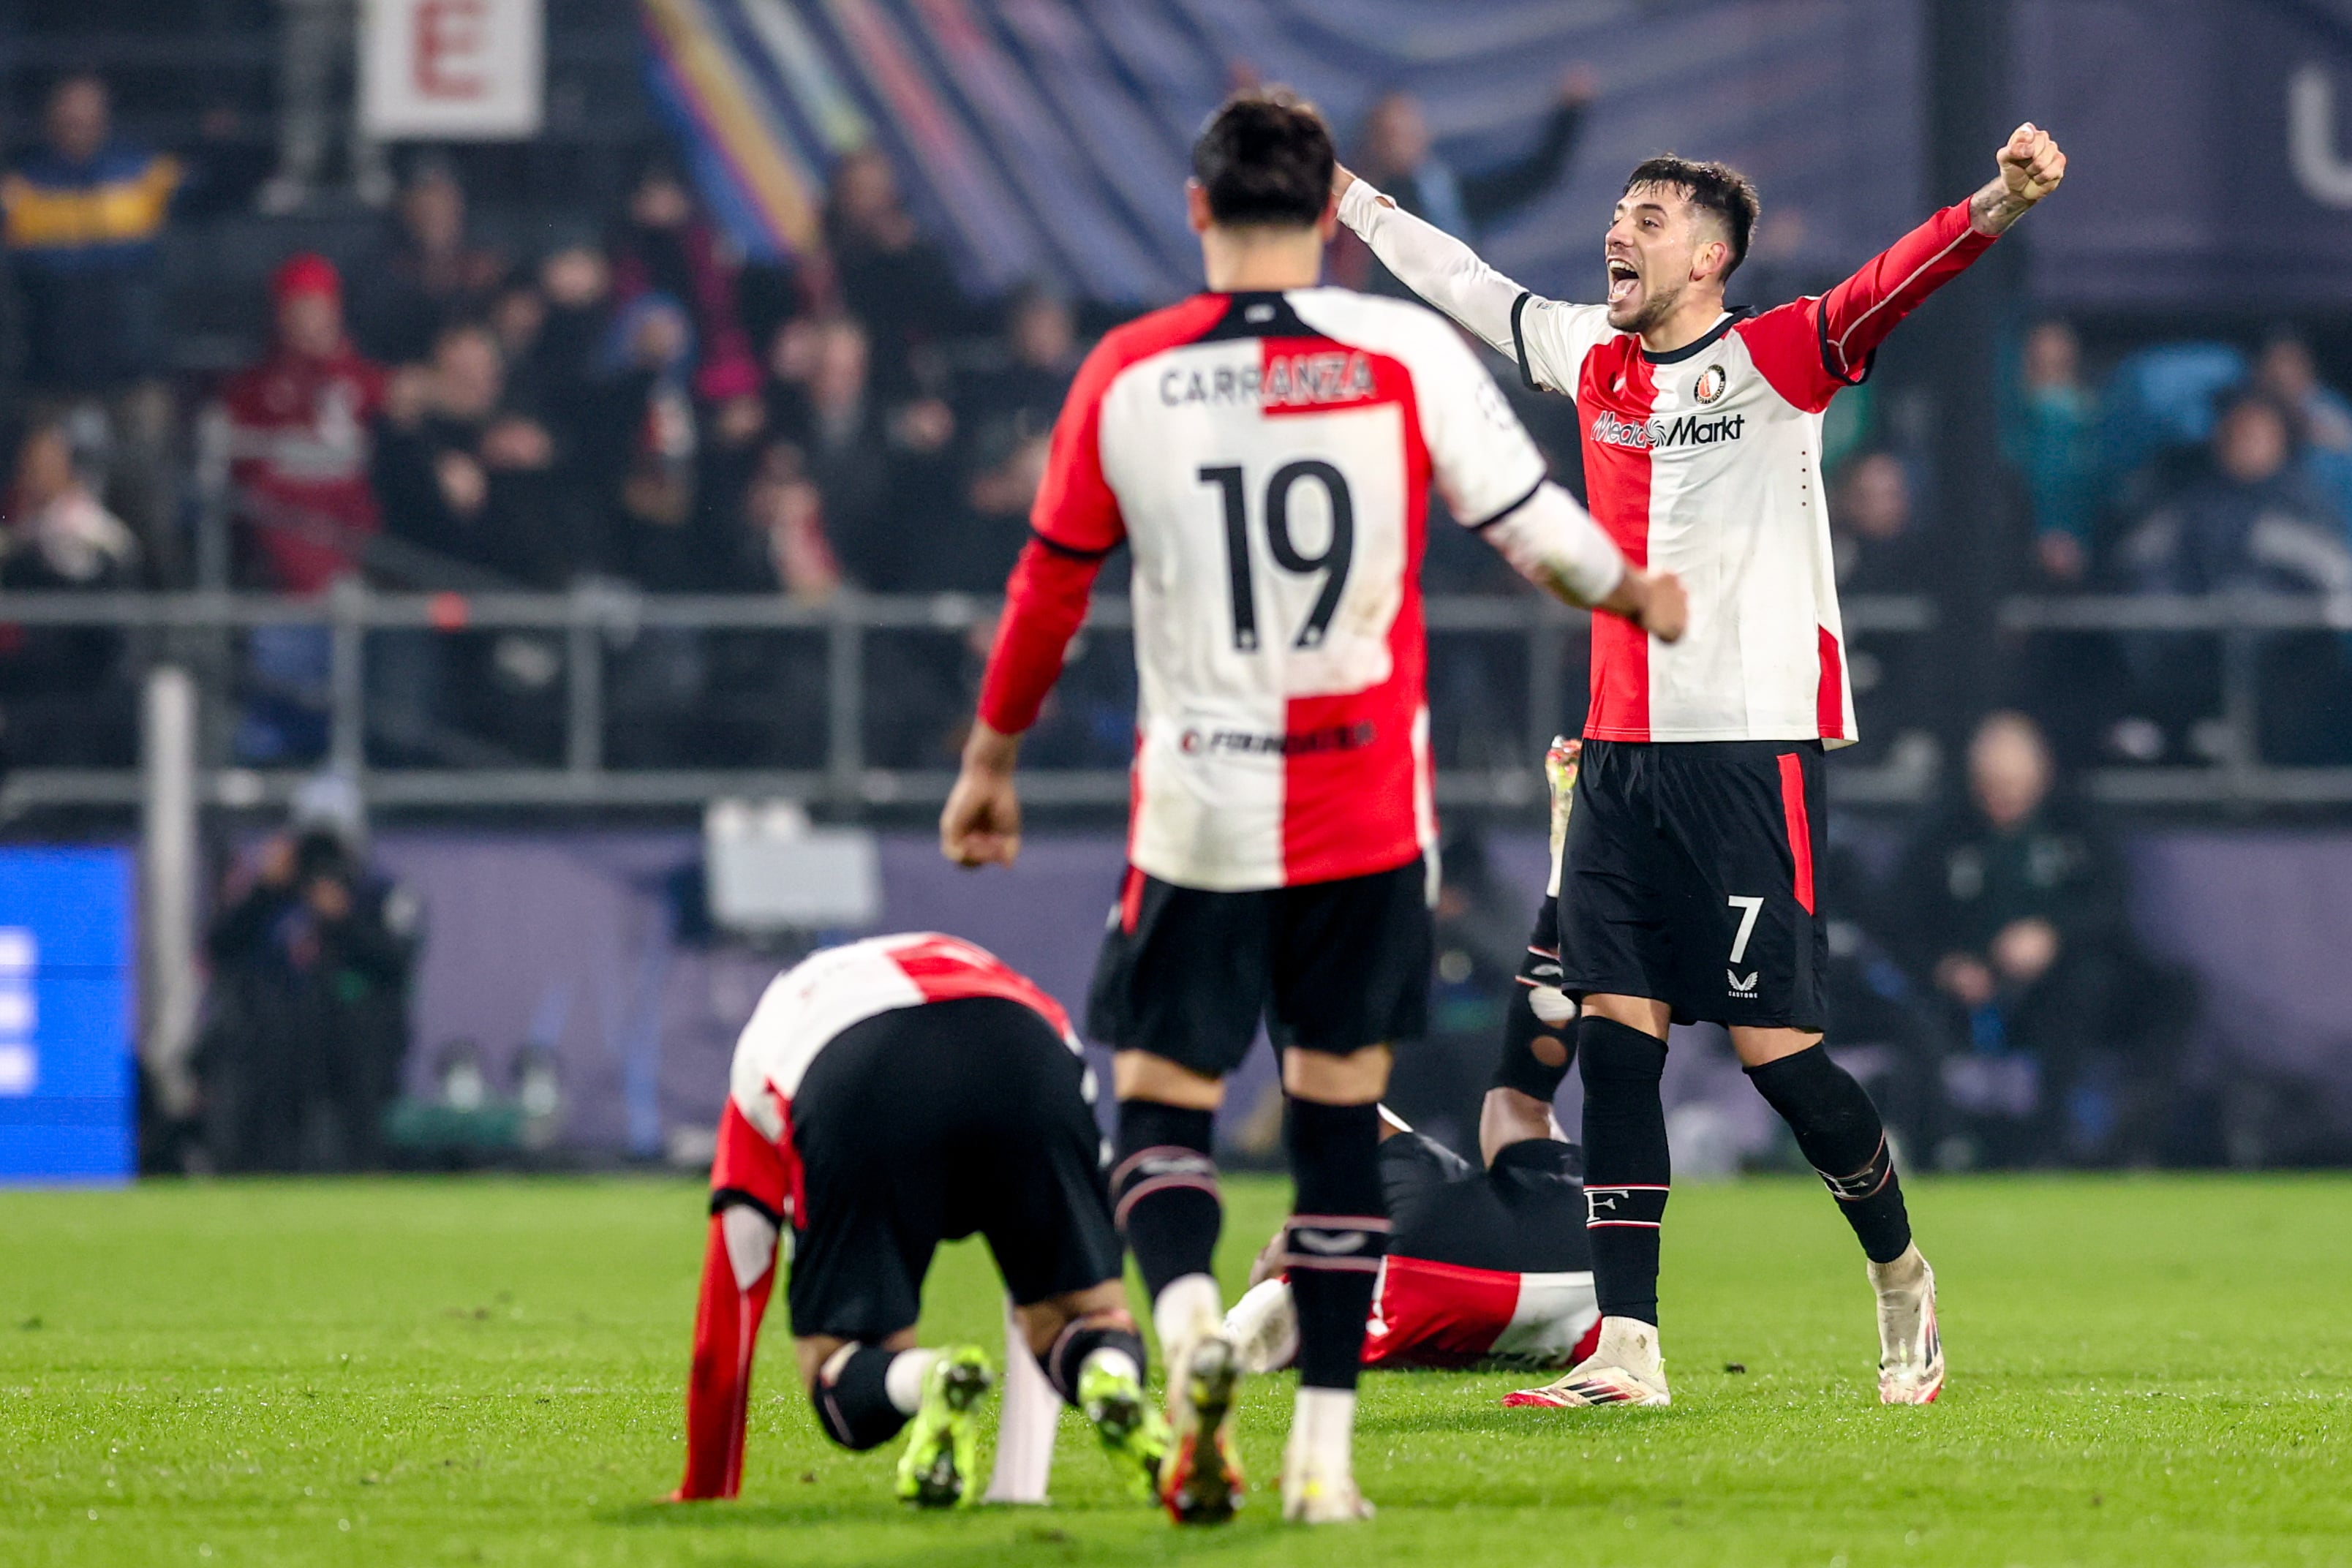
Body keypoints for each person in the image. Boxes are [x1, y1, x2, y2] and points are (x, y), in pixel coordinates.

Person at [939, 89, 1684, 1524]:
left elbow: (1049, 584)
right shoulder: (1401, 351)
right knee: (1341, 1134)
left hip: (1203, 807)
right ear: (1326, 212)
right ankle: (1323, 1465)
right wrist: (1634, 590)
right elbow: (1530, 526)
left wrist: (992, 762)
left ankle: (1189, 1344)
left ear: (1199, 209)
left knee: (1161, 1115)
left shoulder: (1130, 371)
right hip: (1362, 817)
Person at [1337, 120, 2070, 1409]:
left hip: (1747, 754)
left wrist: (1997, 204)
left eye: (1650, 217)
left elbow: (1894, 277)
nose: (1619, 229)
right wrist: (1349, 197)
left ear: (1712, 257)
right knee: (1615, 1042)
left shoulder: (1776, 355)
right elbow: (1464, 282)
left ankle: (1901, 1274)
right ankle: (1629, 1345)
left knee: (1778, 1054)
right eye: (1619, 210)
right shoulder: (1591, 356)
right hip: (1617, 758)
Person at [668, 932, 1167, 1510]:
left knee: (841, 1360)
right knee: (1078, 1313)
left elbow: (739, 1258)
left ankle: (929, 1377)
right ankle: (1109, 1376)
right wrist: (1018, 1491)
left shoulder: (771, 1034)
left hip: (859, 1072)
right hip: (1027, 1049)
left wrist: (708, 1482)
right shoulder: (978, 963)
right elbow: (1086, 1204)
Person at [1888, 712, 2190, 1168]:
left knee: (2169, 992)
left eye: (2016, 782)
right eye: (1992, 783)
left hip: (2068, 987)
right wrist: (1945, 966)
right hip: (1968, 999)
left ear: (2043, 774)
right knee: (1903, 1012)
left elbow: (2112, 905)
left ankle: (2120, 1143)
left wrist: (2053, 937)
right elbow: (1899, 922)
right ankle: (1943, 1144)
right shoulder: (1942, 832)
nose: (2004, 796)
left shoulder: (2078, 824)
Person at [1224, 1105, 1599, 1376]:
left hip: (1580, 1294)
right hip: (1585, 1267)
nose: (1271, 1242)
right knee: (1335, 1100)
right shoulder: (1306, 1284)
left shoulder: (1321, 1310)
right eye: (1266, 1251)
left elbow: (1228, 1346)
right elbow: (1232, 1338)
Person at [1, 75, 185, 579]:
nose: (78, 126)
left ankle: (166, 634)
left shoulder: (142, 176)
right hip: (50, 384)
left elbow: (218, 180)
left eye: (88, 115)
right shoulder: (24, 189)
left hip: (132, 381)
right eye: (68, 115)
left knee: (150, 506)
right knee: (35, 517)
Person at [1345, 71, 1596, 301]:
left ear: (1424, 134)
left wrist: (1569, 114)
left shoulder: (1449, 199)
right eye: (1391, 133)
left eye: (1407, 130)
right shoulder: (1353, 208)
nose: (1400, 141)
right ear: (1373, 140)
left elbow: (1536, 174)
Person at [221, 255, 390, 593]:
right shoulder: (256, 386)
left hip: (350, 502)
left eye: (315, 307)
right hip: (286, 510)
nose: (306, 319)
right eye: (296, 308)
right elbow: (238, 456)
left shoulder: (364, 378)